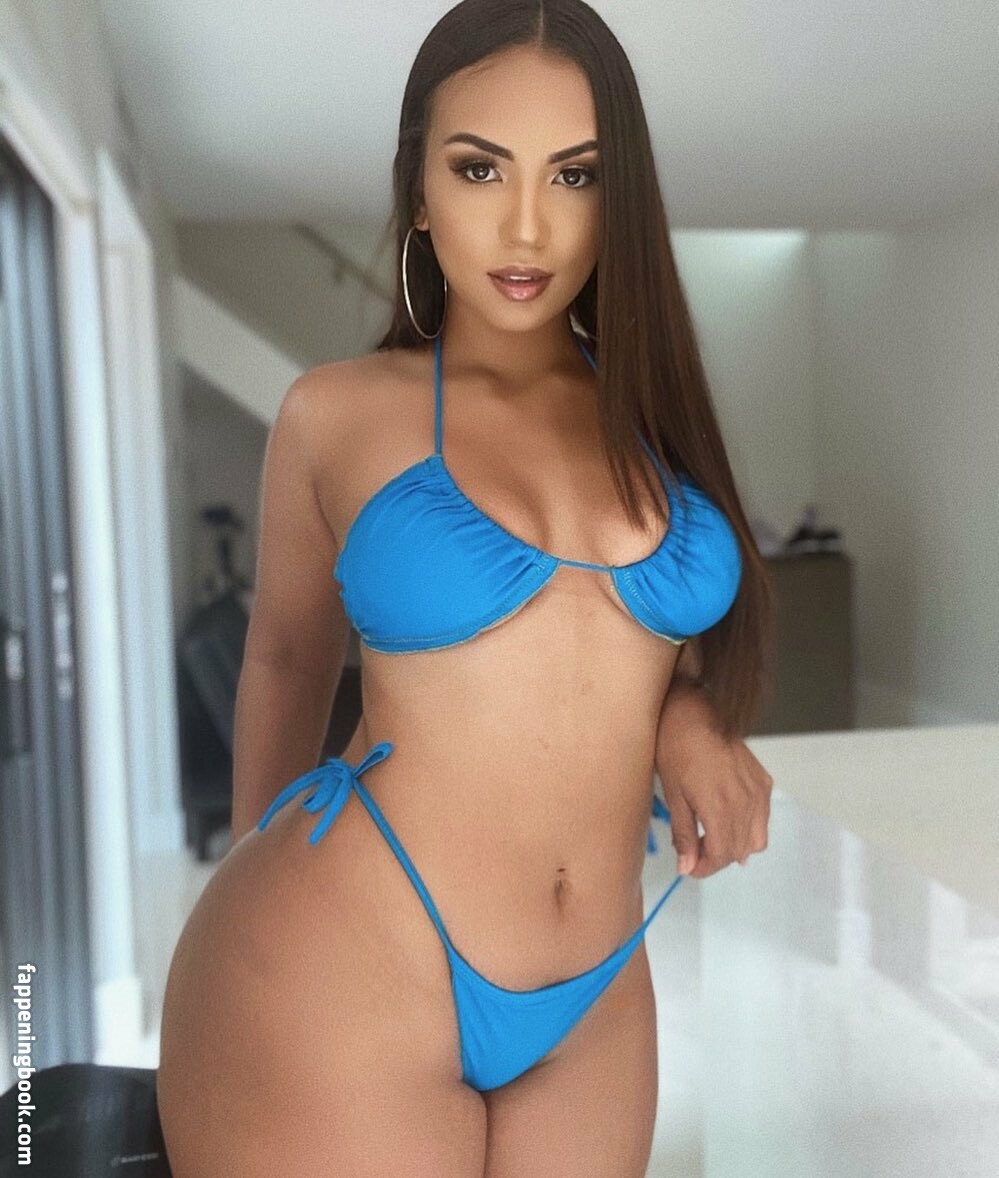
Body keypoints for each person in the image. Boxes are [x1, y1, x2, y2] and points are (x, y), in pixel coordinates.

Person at [156, 2, 775, 1174]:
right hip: (351, 958)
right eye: (480, 167)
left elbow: (636, 640)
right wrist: (247, 877)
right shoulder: (339, 412)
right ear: (420, 189)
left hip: (599, 989)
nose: (527, 223)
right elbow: (286, 660)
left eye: (575, 174)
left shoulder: (651, 415)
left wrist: (687, 719)